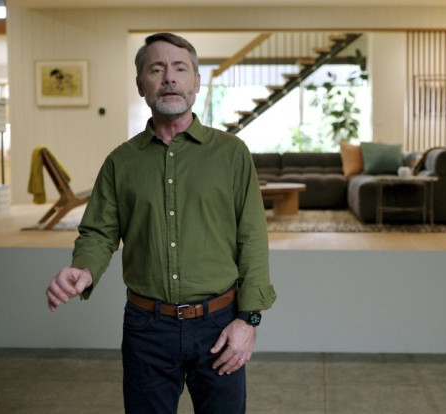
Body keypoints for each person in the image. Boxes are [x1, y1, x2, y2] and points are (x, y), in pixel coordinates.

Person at [45, 32, 276, 414]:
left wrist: (247, 321)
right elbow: (99, 232)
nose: (169, 77)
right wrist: (83, 269)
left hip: (219, 324)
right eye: (156, 69)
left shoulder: (232, 154)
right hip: (146, 329)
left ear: (196, 82)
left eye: (180, 68)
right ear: (141, 85)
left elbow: (252, 237)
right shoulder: (121, 161)